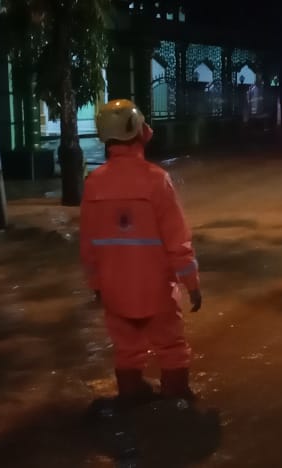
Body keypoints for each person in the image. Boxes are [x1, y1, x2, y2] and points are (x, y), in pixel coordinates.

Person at [81, 99, 203, 407]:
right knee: (171, 345)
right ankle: (176, 395)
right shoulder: (156, 180)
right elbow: (178, 241)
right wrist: (192, 284)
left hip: (114, 290)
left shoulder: (94, 184)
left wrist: (96, 285)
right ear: (138, 130)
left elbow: (89, 244)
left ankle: (131, 397)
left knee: (126, 347)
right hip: (157, 289)